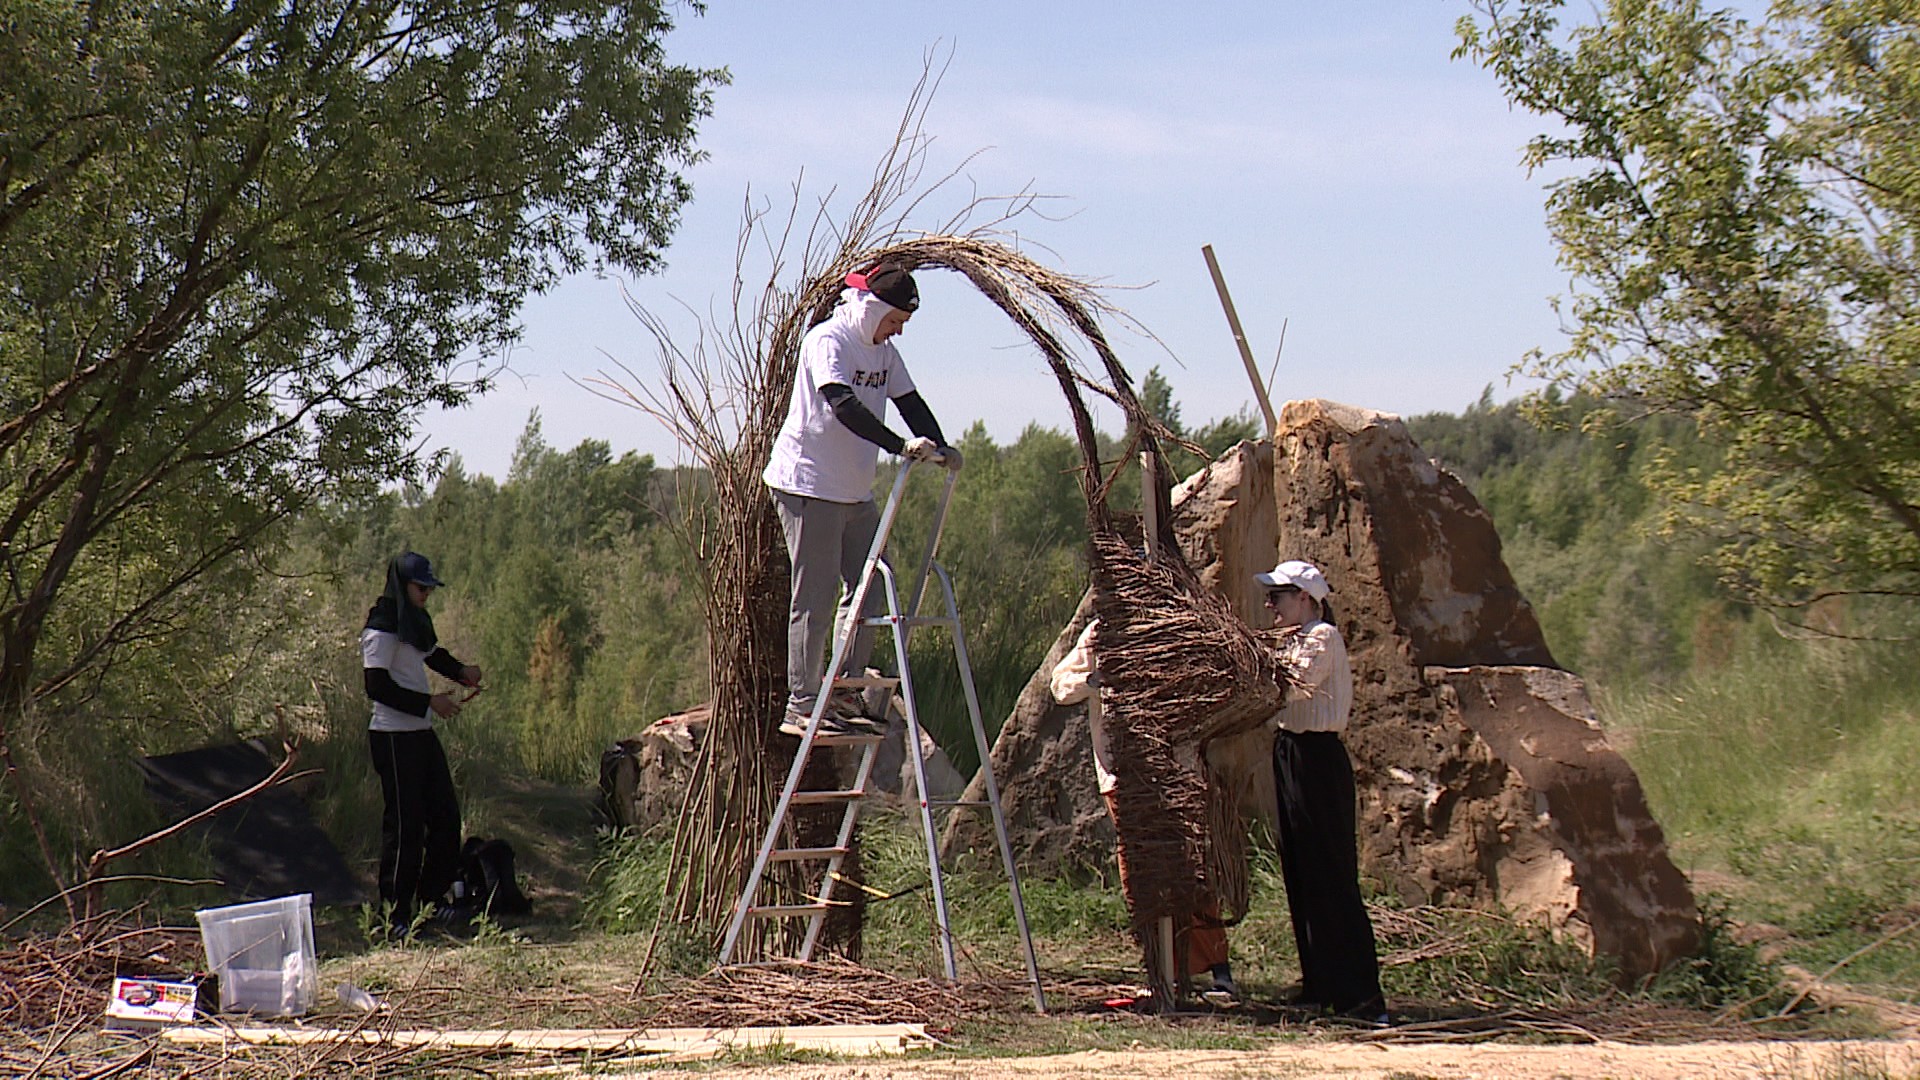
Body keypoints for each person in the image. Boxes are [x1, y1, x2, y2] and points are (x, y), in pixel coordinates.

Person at [762, 260, 959, 738]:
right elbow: (842, 405)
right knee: (817, 592)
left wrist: (940, 445)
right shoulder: (828, 341)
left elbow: (910, 403)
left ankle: (843, 690)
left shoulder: (885, 355)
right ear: (873, 309)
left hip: (854, 491)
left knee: (873, 583)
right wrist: (898, 447)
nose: (897, 332)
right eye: (895, 321)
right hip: (808, 485)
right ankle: (803, 703)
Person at [1051, 617, 1237, 1004]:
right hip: (1122, 776)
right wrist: (1093, 681)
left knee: (1190, 865)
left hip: (1174, 771)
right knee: (1142, 874)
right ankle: (1160, 970)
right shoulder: (1101, 631)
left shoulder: (1170, 624)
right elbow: (1060, 685)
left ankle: (1217, 970)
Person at [1257, 559, 1386, 1020]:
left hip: (1317, 758)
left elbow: (1293, 685)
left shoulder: (1321, 638)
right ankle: (1320, 984)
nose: (1271, 604)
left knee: (1331, 872)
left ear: (1306, 599)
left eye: (1280, 595)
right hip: (1289, 752)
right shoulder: (1288, 641)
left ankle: (1361, 994)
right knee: (1301, 869)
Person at [362, 551, 483, 935]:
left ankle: (432, 902)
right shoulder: (381, 626)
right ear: (402, 584)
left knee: (446, 816)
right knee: (405, 826)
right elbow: (376, 687)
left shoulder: (415, 622)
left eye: (430, 588)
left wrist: (462, 672)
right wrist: (429, 702)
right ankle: (394, 915)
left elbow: (432, 655)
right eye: (421, 587)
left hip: (419, 733)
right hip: (393, 737)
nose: (426, 593)